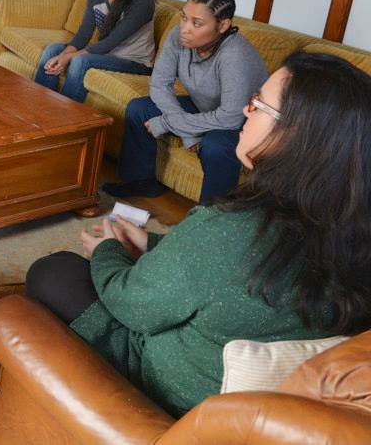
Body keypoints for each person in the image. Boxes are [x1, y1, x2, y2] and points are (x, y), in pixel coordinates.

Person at [25, 51, 371, 417]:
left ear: (301, 138)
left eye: (259, 105)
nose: (246, 111)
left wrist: (108, 250)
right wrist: (152, 244)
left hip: (172, 389)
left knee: (54, 271)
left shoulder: (233, 229)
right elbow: (232, 282)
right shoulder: (350, 226)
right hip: (253, 405)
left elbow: (133, 306)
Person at [102, 0, 267, 204]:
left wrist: (167, 122)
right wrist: (188, 132)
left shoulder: (235, 55)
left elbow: (231, 118)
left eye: (197, 23)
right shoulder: (178, 37)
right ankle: (140, 182)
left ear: (223, 25)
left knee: (215, 147)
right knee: (139, 109)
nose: (185, 29)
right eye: (184, 18)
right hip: (205, 108)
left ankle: (211, 213)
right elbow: (160, 84)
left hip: (244, 125)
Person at [34, 0, 156, 102]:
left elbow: (110, 42)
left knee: (80, 60)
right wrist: (64, 54)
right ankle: (37, 106)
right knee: (53, 50)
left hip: (134, 62)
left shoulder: (143, 0)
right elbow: (84, 34)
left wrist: (68, 57)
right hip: (105, 53)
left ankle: (64, 115)